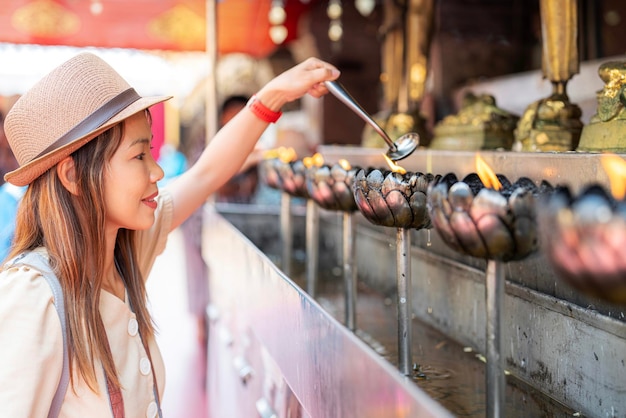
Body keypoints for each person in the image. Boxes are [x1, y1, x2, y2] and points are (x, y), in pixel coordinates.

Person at [0, 52, 339, 417]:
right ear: (73, 176)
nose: (157, 171)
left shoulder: (120, 253)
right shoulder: (34, 298)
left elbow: (206, 174)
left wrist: (272, 96)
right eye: (139, 156)